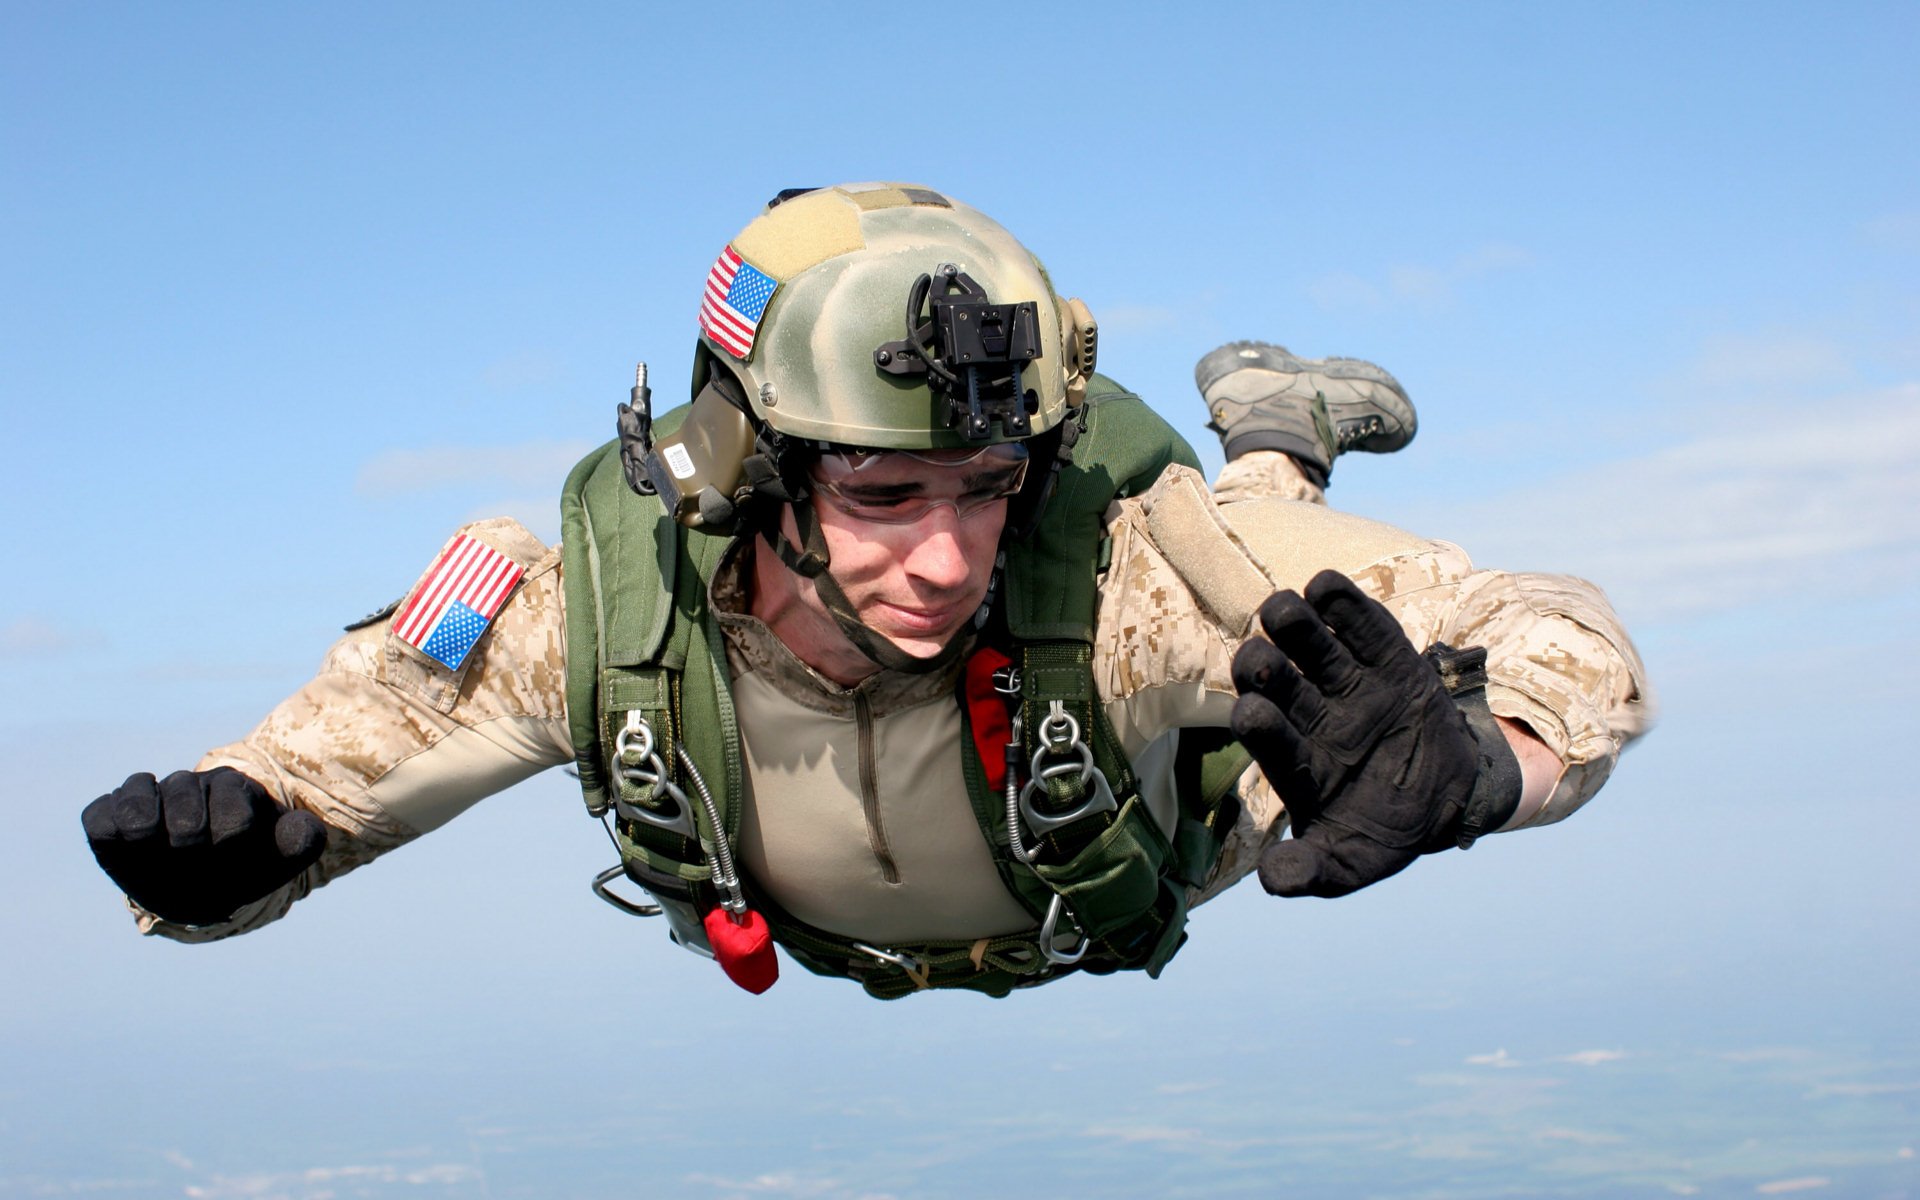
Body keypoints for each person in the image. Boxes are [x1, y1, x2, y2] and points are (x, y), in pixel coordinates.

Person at [82, 183, 1652, 998]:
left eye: (990, 489)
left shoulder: (1119, 569)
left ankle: (1271, 433)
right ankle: (1273, 420)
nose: (952, 558)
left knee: (1262, 580)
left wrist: (1479, 771)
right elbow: (309, 784)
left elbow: (1557, 641)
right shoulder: (592, 617)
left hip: (1147, 849)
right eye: (887, 493)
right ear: (749, 469)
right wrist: (215, 873)